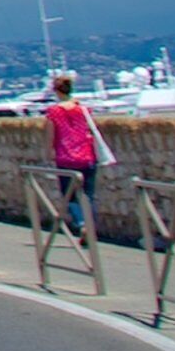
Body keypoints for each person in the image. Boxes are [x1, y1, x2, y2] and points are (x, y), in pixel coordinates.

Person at [46, 72, 103, 236]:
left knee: (69, 195)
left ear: (56, 91)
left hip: (65, 158)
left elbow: (50, 135)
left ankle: (81, 223)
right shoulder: (83, 109)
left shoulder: (54, 112)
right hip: (87, 156)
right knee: (88, 194)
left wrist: (48, 152)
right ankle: (90, 227)